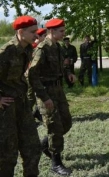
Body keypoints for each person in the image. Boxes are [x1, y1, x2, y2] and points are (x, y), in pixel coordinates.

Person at [28, 18, 76, 176]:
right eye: (61, 31)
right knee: (54, 128)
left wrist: (68, 73)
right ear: (51, 31)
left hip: (58, 90)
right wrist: (43, 96)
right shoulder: (42, 48)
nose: (64, 34)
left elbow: (63, 65)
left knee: (66, 123)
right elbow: (31, 75)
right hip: (46, 93)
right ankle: (56, 163)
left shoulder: (58, 47)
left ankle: (44, 145)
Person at [0, 16, 41, 177]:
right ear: (21, 32)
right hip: (6, 108)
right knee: (7, 155)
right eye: (33, 32)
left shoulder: (28, 48)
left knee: (33, 148)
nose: (36, 35)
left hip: (22, 104)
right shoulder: (6, 52)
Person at [28, 27, 47, 122]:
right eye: (44, 36)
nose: (46, 37)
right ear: (38, 37)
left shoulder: (42, 47)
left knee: (38, 97)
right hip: (31, 76)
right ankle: (27, 117)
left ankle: (37, 113)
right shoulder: (34, 47)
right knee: (30, 98)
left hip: (39, 77)